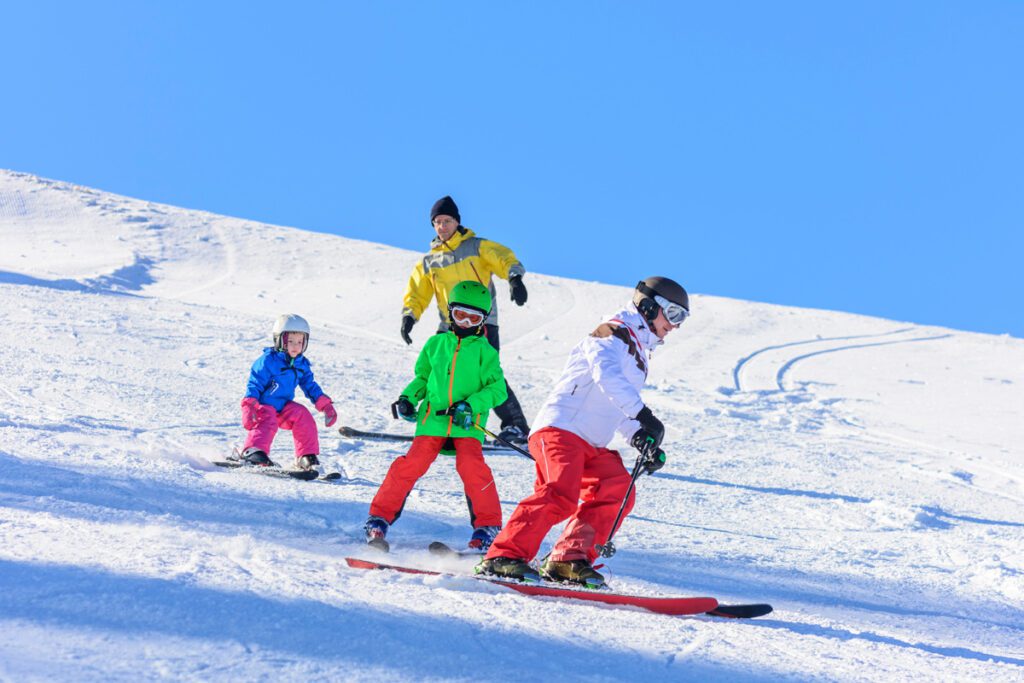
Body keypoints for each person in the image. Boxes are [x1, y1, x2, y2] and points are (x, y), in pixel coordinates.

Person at [476, 276, 690, 587]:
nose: (675, 325)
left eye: (681, 319)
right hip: (561, 430)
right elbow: (607, 377)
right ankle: (503, 555)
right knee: (560, 493)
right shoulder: (611, 332)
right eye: (672, 315)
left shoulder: (640, 354)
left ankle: (569, 559)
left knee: (617, 488)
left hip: (591, 441)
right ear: (648, 306)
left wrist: (638, 436)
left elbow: (614, 401)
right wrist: (645, 417)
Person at [366, 281, 510, 552]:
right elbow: (422, 378)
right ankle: (378, 520)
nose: (466, 322)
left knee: (473, 468)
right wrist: (408, 398)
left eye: (474, 317)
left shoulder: (485, 352)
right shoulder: (435, 344)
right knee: (410, 465)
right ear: (450, 313)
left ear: (483, 320)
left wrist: (470, 405)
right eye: (460, 315)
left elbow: (497, 389)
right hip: (432, 421)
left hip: (466, 424)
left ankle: (487, 528)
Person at [400, 195, 531, 446]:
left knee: (486, 374)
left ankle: (516, 426)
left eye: (447, 220)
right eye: (437, 222)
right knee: (439, 373)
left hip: (482, 323)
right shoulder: (430, 262)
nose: (442, 226)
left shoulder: (476, 247)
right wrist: (409, 317)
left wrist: (515, 279)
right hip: (448, 325)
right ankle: (440, 423)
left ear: (457, 221)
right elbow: (417, 292)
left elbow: (504, 258)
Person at [239, 314, 338, 471]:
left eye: (300, 342)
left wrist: (325, 405)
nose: (295, 346)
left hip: (283, 406)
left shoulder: (301, 364)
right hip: (263, 406)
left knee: (302, 414)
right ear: (279, 340)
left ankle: (306, 455)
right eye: (290, 341)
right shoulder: (267, 361)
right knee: (268, 419)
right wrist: (249, 406)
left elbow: (310, 386)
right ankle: (252, 451)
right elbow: (255, 384)